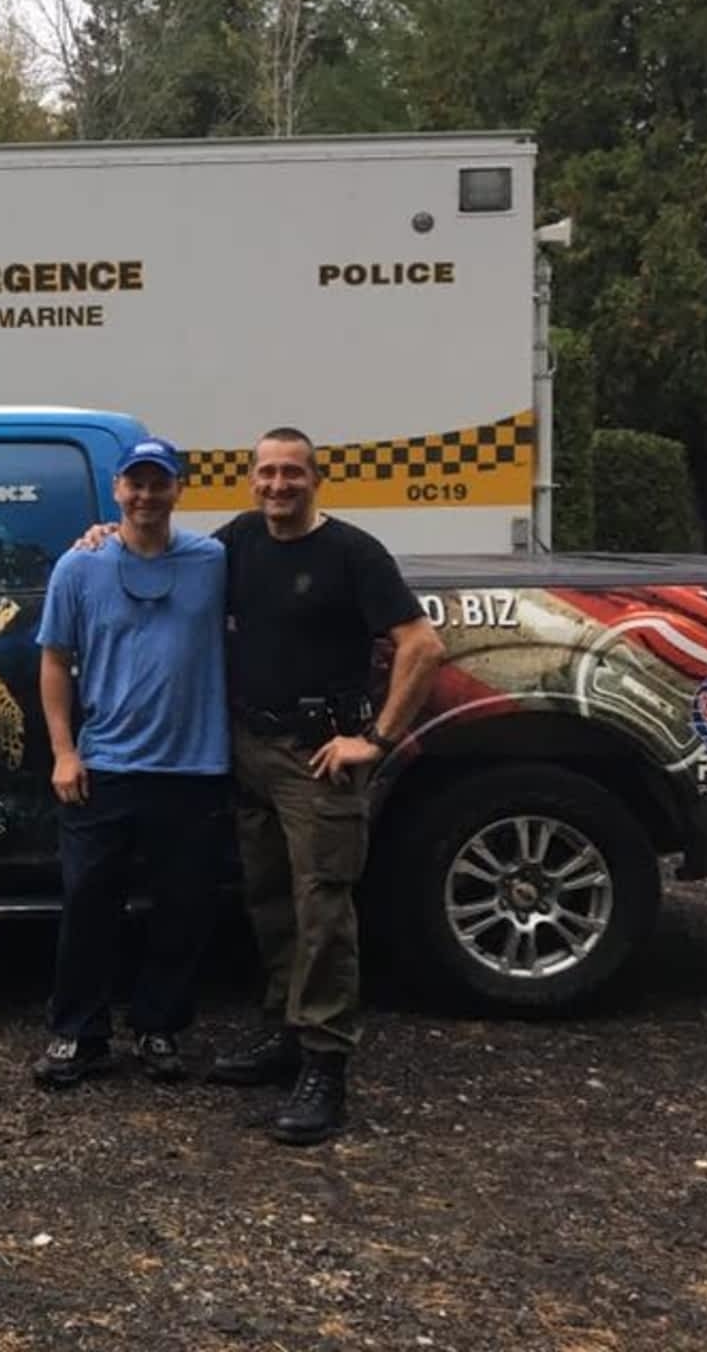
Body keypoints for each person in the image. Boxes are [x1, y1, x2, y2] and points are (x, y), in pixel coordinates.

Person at [204, 428, 445, 1146]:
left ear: (317, 479)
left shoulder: (352, 553)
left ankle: (325, 1066)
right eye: (267, 473)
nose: (278, 485)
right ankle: (286, 1036)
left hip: (320, 758)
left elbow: (422, 645)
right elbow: (166, 561)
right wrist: (103, 537)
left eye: (291, 473)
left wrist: (376, 740)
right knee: (271, 899)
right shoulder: (238, 541)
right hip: (251, 748)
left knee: (323, 909)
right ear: (251, 481)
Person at [32, 436, 231, 1089]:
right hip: (106, 764)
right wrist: (64, 751)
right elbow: (55, 661)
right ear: (116, 489)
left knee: (183, 910)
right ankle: (77, 1034)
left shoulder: (215, 561)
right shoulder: (78, 567)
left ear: (179, 490)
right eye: (135, 484)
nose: (146, 495)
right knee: (89, 903)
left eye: (159, 483)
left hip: (194, 769)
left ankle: (159, 1029)